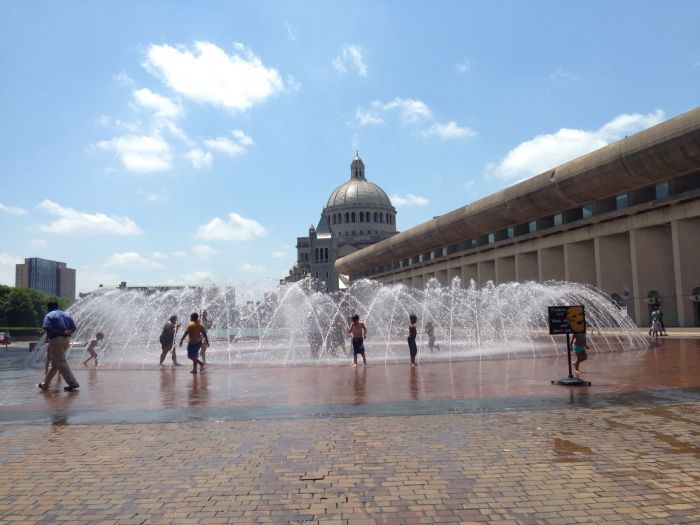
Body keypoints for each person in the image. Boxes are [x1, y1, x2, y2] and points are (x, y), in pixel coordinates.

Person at [37, 301, 80, 392]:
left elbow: (47, 328)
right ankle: (45, 384)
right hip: (66, 340)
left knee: (61, 361)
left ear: (48, 308)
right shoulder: (66, 314)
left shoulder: (49, 315)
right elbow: (74, 327)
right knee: (55, 364)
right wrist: (69, 332)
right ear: (57, 306)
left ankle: (73, 383)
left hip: (56, 340)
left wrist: (60, 333)